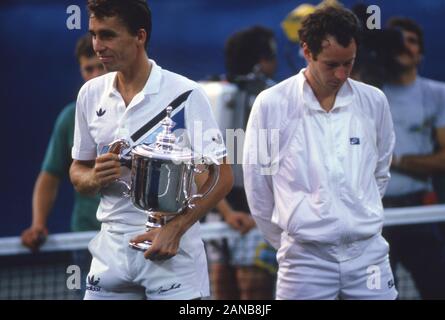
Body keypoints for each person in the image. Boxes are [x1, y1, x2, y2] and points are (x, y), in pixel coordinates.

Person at [69, 0, 233, 300]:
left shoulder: (187, 93)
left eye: (107, 35)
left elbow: (222, 177)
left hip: (174, 252)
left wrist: (175, 229)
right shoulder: (89, 94)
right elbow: (78, 170)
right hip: (110, 251)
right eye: (93, 34)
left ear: (140, 36)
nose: (97, 45)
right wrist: (94, 177)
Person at [243, 6, 398, 300]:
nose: (341, 74)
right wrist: (293, 241)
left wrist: (359, 213)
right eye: (331, 65)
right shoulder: (270, 104)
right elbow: (257, 185)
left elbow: (380, 171)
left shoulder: (375, 101)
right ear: (306, 51)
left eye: (348, 63)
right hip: (303, 261)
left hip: (369, 257)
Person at [20, 33, 105, 298]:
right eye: (87, 68)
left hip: (132, 239)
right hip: (87, 240)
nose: (93, 74)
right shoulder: (70, 117)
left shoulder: (136, 110)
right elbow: (50, 176)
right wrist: (38, 224)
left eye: (99, 67)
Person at [205, 26, 277, 300]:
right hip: (240, 216)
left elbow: (204, 166)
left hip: (232, 213)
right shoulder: (273, 97)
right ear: (262, 59)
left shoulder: (212, 92)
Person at [381, 17, 445, 299]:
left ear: (420, 52)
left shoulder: (438, 93)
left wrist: (393, 160)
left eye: (411, 40)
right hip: (375, 216)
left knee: (439, 289)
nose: (404, 46)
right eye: (397, 40)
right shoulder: (369, 92)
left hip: (419, 211)